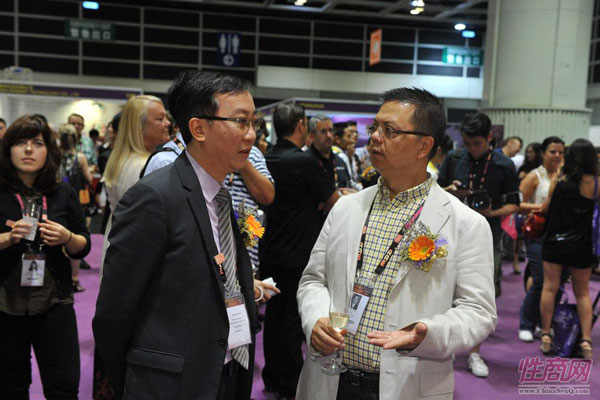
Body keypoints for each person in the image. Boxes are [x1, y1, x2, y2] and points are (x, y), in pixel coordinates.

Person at [296, 88, 497, 400]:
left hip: (408, 386)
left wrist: (428, 333)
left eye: (389, 130)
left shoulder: (465, 224)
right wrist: (316, 320)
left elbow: (479, 312)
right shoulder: (346, 207)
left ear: (424, 146)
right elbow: (313, 280)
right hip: (331, 379)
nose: (375, 138)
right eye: (375, 127)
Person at [93, 70, 277, 399]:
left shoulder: (222, 196)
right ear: (198, 128)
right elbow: (114, 313)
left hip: (227, 371)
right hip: (169, 384)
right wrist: (137, 382)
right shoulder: (155, 197)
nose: (251, 135)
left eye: (253, 123)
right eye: (240, 121)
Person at [0, 115, 91, 399]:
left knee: (64, 386)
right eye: (20, 142)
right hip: (4, 304)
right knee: (10, 387)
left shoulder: (63, 192)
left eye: (37, 143)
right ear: (8, 149)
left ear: (49, 151)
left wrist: (67, 237)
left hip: (54, 302)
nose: (29, 149)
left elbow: (83, 245)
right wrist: (8, 238)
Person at [260, 104, 339, 399]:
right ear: (301, 125)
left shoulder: (266, 157)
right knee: (293, 318)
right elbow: (332, 199)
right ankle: (290, 382)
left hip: (270, 246)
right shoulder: (304, 161)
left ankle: (273, 376)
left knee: (274, 316)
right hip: (297, 249)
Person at [435, 112, 519, 378]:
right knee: (442, 288)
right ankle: (445, 347)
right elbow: (434, 193)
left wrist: (491, 212)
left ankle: (474, 353)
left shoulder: (504, 165)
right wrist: (451, 191)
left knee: (480, 295)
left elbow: (514, 204)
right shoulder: (453, 158)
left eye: (477, 143)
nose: (472, 149)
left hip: (487, 235)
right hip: (450, 232)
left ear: (489, 137)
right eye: (467, 143)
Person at [539, 139, 598, 359]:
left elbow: (546, 209)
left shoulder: (559, 181)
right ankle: (586, 341)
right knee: (583, 293)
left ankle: (546, 336)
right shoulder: (597, 184)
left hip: (555, 243)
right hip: (582, 246)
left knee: (549, 288)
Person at [100, 95, 170, 271]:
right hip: (137, 253)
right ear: (140, 126)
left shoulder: (121, 159)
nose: (167, 123)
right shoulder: (148, 165)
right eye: (160, 119)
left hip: (118, 244)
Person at [517, 137, 564, 342]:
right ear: (543, 153)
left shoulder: (565, 176)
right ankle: (526, 324)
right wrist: (541, 208)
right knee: (540, 279)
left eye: (560, 152)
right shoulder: (535, 176)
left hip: (559, 235)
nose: (557, 156)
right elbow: (518, 203)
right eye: (553, 151)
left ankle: (544, 323)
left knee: (558, 282)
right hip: (537, 233)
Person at [58, 123, 94, 292]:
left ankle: (62, 277)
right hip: (77, 200)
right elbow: (88, 178)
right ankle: (74, 278)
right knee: (75, 238)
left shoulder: (54, 155)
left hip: (58, 200)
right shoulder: (80, 157)